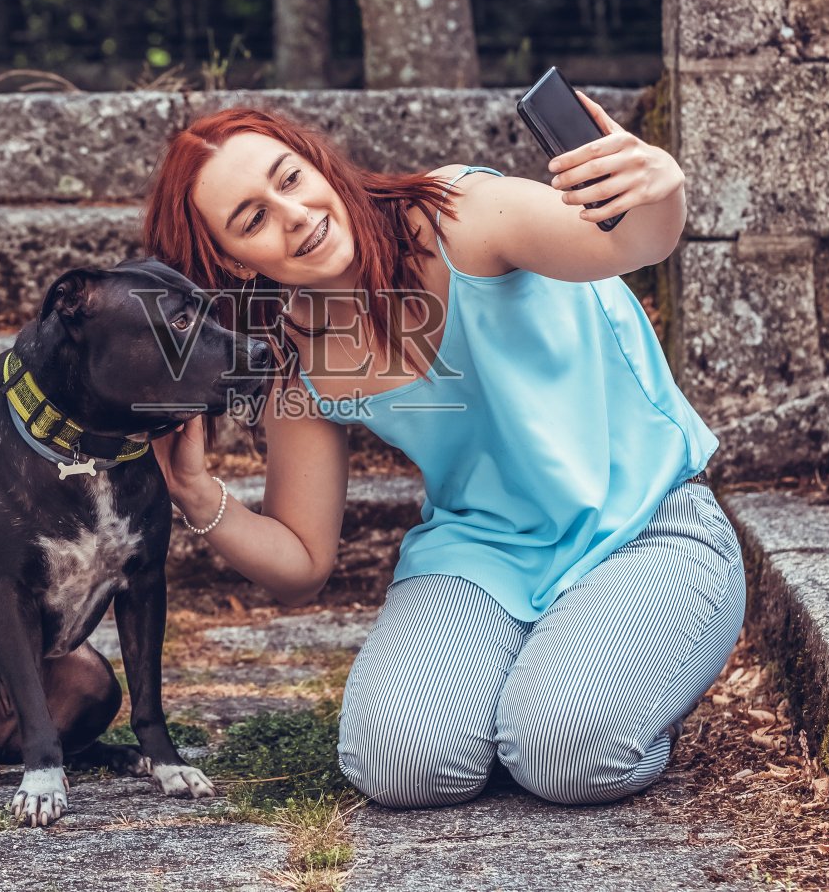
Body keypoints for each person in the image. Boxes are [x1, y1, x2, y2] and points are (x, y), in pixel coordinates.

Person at [140, 95, 745, 810]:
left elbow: (630, 242)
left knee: (565, 750)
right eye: (252, 219)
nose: (293, 214)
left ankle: (585, 687)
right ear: (231, 264)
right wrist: (197, 492)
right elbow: (303, 562)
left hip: (647, 525)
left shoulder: (462, 214)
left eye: (290, 179)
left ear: (320, 166)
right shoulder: (293, 348)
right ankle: (543, 678)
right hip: (480, 556)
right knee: (399, 761)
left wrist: (656, 187)